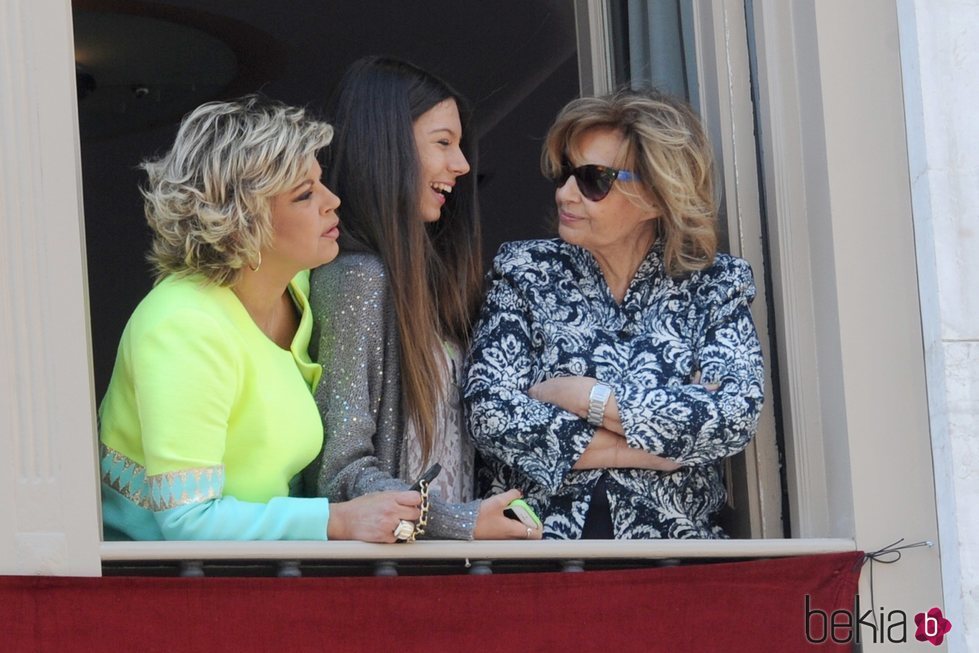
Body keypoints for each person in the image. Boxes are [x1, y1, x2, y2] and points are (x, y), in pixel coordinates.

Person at [98, 94, 422, 541]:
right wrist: (338, 520)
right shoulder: (182, 324)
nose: (332, 201)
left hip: (256, 580)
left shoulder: (299, 290)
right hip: (161, 592)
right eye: (305, 194)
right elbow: (188, 522)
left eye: (320, 182)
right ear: (242, 221)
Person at [464, 88, 765, 539]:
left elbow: (733, 413)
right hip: (542, 556)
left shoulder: (716, 285)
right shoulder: (525, 271)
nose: (565, 193)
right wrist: (645, 450)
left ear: (656, 192)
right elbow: (489, 412)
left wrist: (589, 398)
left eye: (593, 180)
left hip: (674, 562)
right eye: (565, 174)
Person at [306, 56, 536, 541]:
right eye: (443, 143)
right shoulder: (356, 279)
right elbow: (340, 474)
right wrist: (459, 522)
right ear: (386, 146)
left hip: (443, 569)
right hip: (394, 578)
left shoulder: (430, 283)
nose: (463, 164)